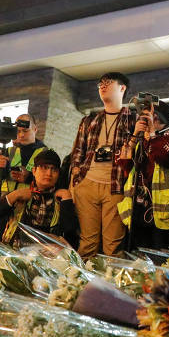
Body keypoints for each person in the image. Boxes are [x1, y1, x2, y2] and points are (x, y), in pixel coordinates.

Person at [70, 72, 136, 257]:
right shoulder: (89, 120)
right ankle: (82, 284)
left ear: (122, 88)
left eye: (108, 82)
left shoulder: (133, 119)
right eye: (100, 83)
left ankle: (111, 285)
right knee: (87, 243)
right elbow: (77, 152)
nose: (102, 86)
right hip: (87, 184)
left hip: (116, 186)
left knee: (113, 247)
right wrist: (74, 182)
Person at [0, 149, 76, 248]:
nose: (49, 173)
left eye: (54, 169)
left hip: (46, 259)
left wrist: (67, 202)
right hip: (14, 255)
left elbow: (71, 237)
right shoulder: (20, 196)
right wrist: (13, 196)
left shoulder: (60, 200)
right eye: (44, 168)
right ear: (34, 171)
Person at [118, 100, 169, 250]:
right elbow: (123, 164)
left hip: (161, 207)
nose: (147, 121)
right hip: (138, 204)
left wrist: (152, 134)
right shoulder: (140, 140)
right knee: (137, 251)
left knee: (159, 251)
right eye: (144, 117)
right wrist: (134, 136)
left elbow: (163, 158)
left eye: (152, 118)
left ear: (162, 121)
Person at [0, 114, 46, 196]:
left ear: (35, 129)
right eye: (18, 131)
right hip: (6, 202)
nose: (21, 135)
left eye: (25, 131)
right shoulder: (9, 151)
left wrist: (29, 177)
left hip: (31, 204)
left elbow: (50, 182)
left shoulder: (45, 153)